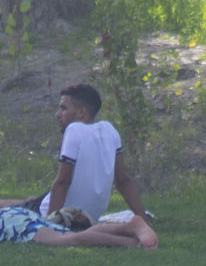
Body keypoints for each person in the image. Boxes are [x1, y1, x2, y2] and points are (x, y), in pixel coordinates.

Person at [0, 141, 157, 248]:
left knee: (65, 241)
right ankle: (130, 227)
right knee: (67, 233)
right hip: (11, 217)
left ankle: (130, 243)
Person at [27, 83, 148, 223]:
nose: (57, 114)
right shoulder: (110, 131)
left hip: (61, 211)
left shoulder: (74, 130)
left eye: (63, 108)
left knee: (9, 210)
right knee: (29, 200)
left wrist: (50, 223)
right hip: (89, 215)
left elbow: (63, 181)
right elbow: (123, 181)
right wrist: (143, 218)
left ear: (81, 112)